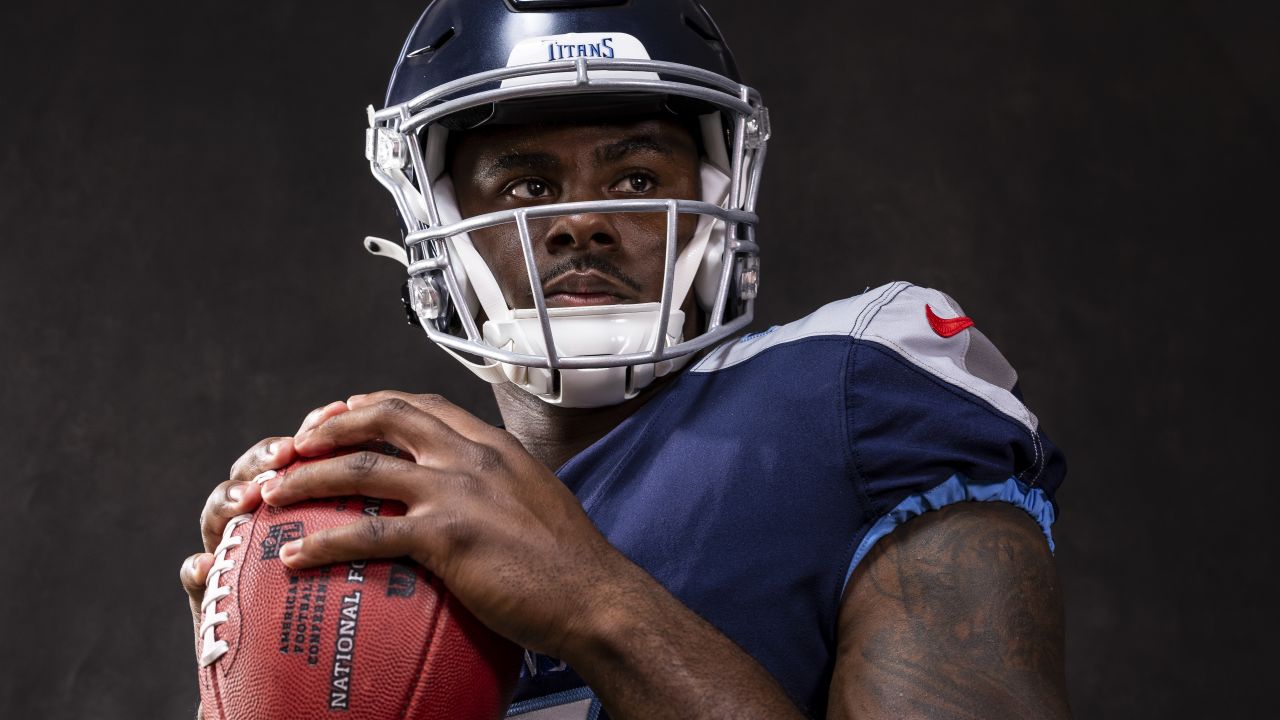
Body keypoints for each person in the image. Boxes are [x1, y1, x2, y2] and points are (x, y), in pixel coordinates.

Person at [180, 1, 1071, 717]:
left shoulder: (851, 391)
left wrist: (596, 604)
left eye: (638, 177)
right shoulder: (395, 524)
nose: (582, 222)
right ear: (437, 232)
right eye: (527, 185)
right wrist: (253, 684)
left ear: (717, 195)